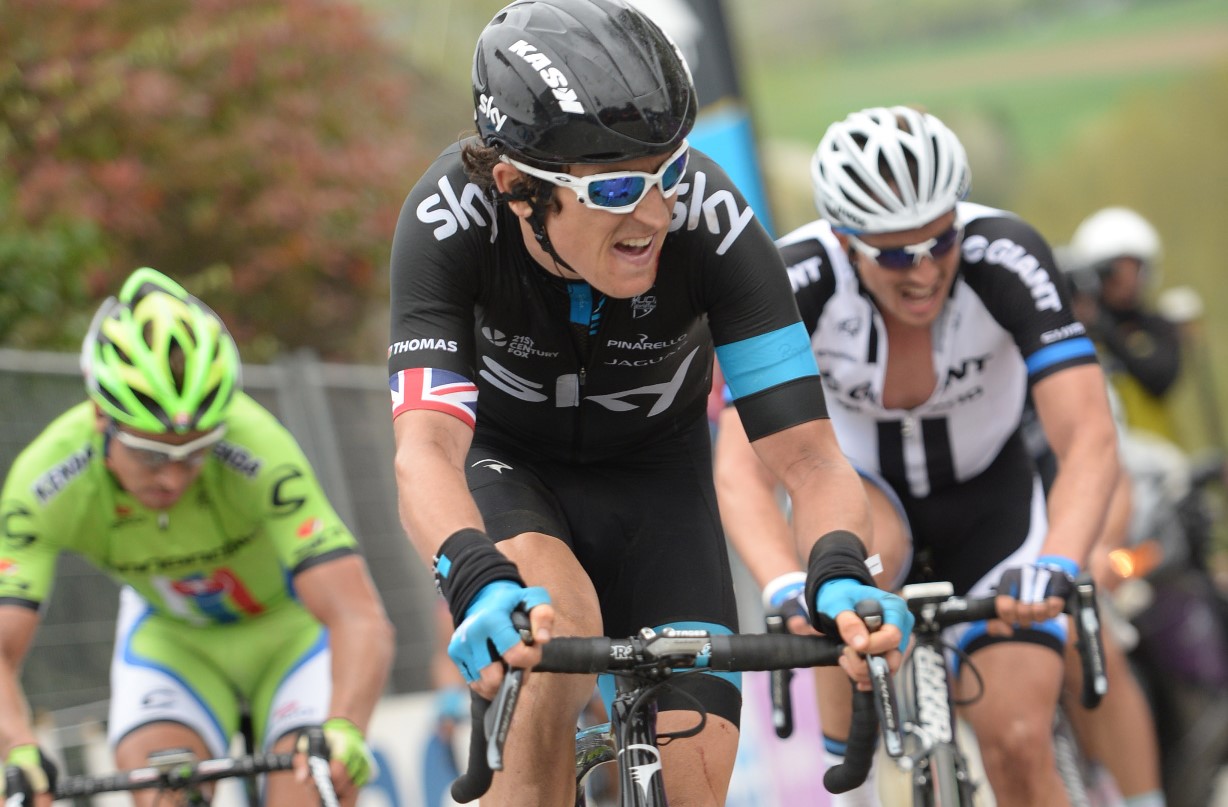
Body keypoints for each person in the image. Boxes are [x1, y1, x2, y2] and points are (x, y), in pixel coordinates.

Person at [386, 2, 911, 804]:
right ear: (517, 187)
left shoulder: (714, 219)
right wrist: (475, 575)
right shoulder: (448, 224)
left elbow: (807, 455)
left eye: (668, 172)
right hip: (512, 467)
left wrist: (838, 566)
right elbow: (424, 449)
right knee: (552, 627)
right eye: (621, 187)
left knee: (693, 785)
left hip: (658, 480)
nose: (656, 214)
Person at [714, 106, 1141, 807]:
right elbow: (738, 470)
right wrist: (784, 584)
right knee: (831, 576)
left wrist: (1059, 560)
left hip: (990, 509)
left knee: (1015, 740)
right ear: (847, 242)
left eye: (938, 242)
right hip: (864, 509)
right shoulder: (796, 277)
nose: (922, 271)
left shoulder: (1006, 253)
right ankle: (845, 790)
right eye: (892, 254)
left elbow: (1089, 434)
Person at [0, 267, 395, 807]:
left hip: (290, 635)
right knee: (162, 794)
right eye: (151, 454)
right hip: (175, 641)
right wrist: (18, 746)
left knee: (312, 790)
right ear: (100, 416)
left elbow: (357, 614)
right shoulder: (47, 479)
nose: (174, 476)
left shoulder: (256, 444)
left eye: (196, 451)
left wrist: (346, 725)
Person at [1065, 206, 1183, 443]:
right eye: (1114, 270)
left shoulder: (1158, 325)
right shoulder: (1074, 330)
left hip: (1160, 460)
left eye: (1135, 269)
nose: (1127, 281)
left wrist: (1102, 324)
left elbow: (1159, 378)